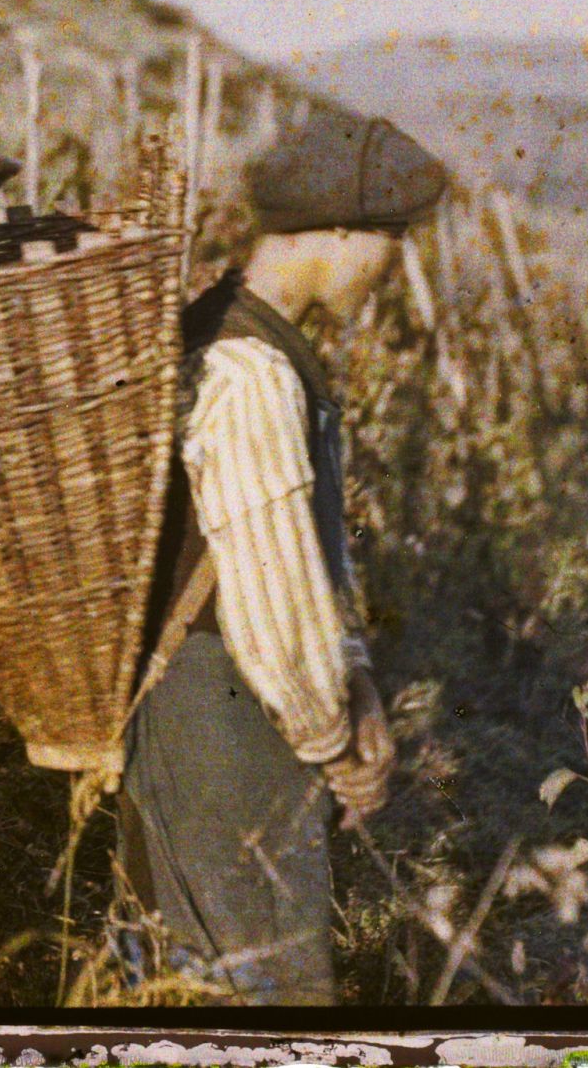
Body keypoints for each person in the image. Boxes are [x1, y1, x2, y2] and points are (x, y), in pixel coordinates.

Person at [117, 101, 450, 1004]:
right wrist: (335, 739)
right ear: (338, 230)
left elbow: (301, 565)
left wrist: (355, 679)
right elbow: (269, 605)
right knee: (258, 1003)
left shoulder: (224, 322)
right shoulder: (254, 374)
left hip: (197, 707)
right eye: (391, 241)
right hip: (224, 721)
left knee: (187, 991)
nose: (394, 267)